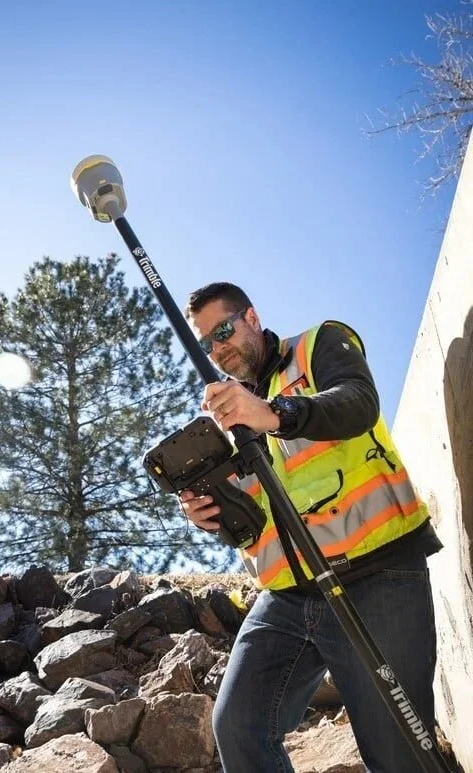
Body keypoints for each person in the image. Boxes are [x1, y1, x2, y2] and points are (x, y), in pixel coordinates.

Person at [180, 282, 443, 773]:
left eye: (223, 330)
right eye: (206, 343)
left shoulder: (317, 345)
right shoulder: (226, 419)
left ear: (252, 318)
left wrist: (276, 414)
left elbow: (359, 403)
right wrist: (211, 517)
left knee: (400, 752)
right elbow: (250, 522)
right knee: (238, 727)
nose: (218, 349)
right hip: (288, 596)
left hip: (377, 574)